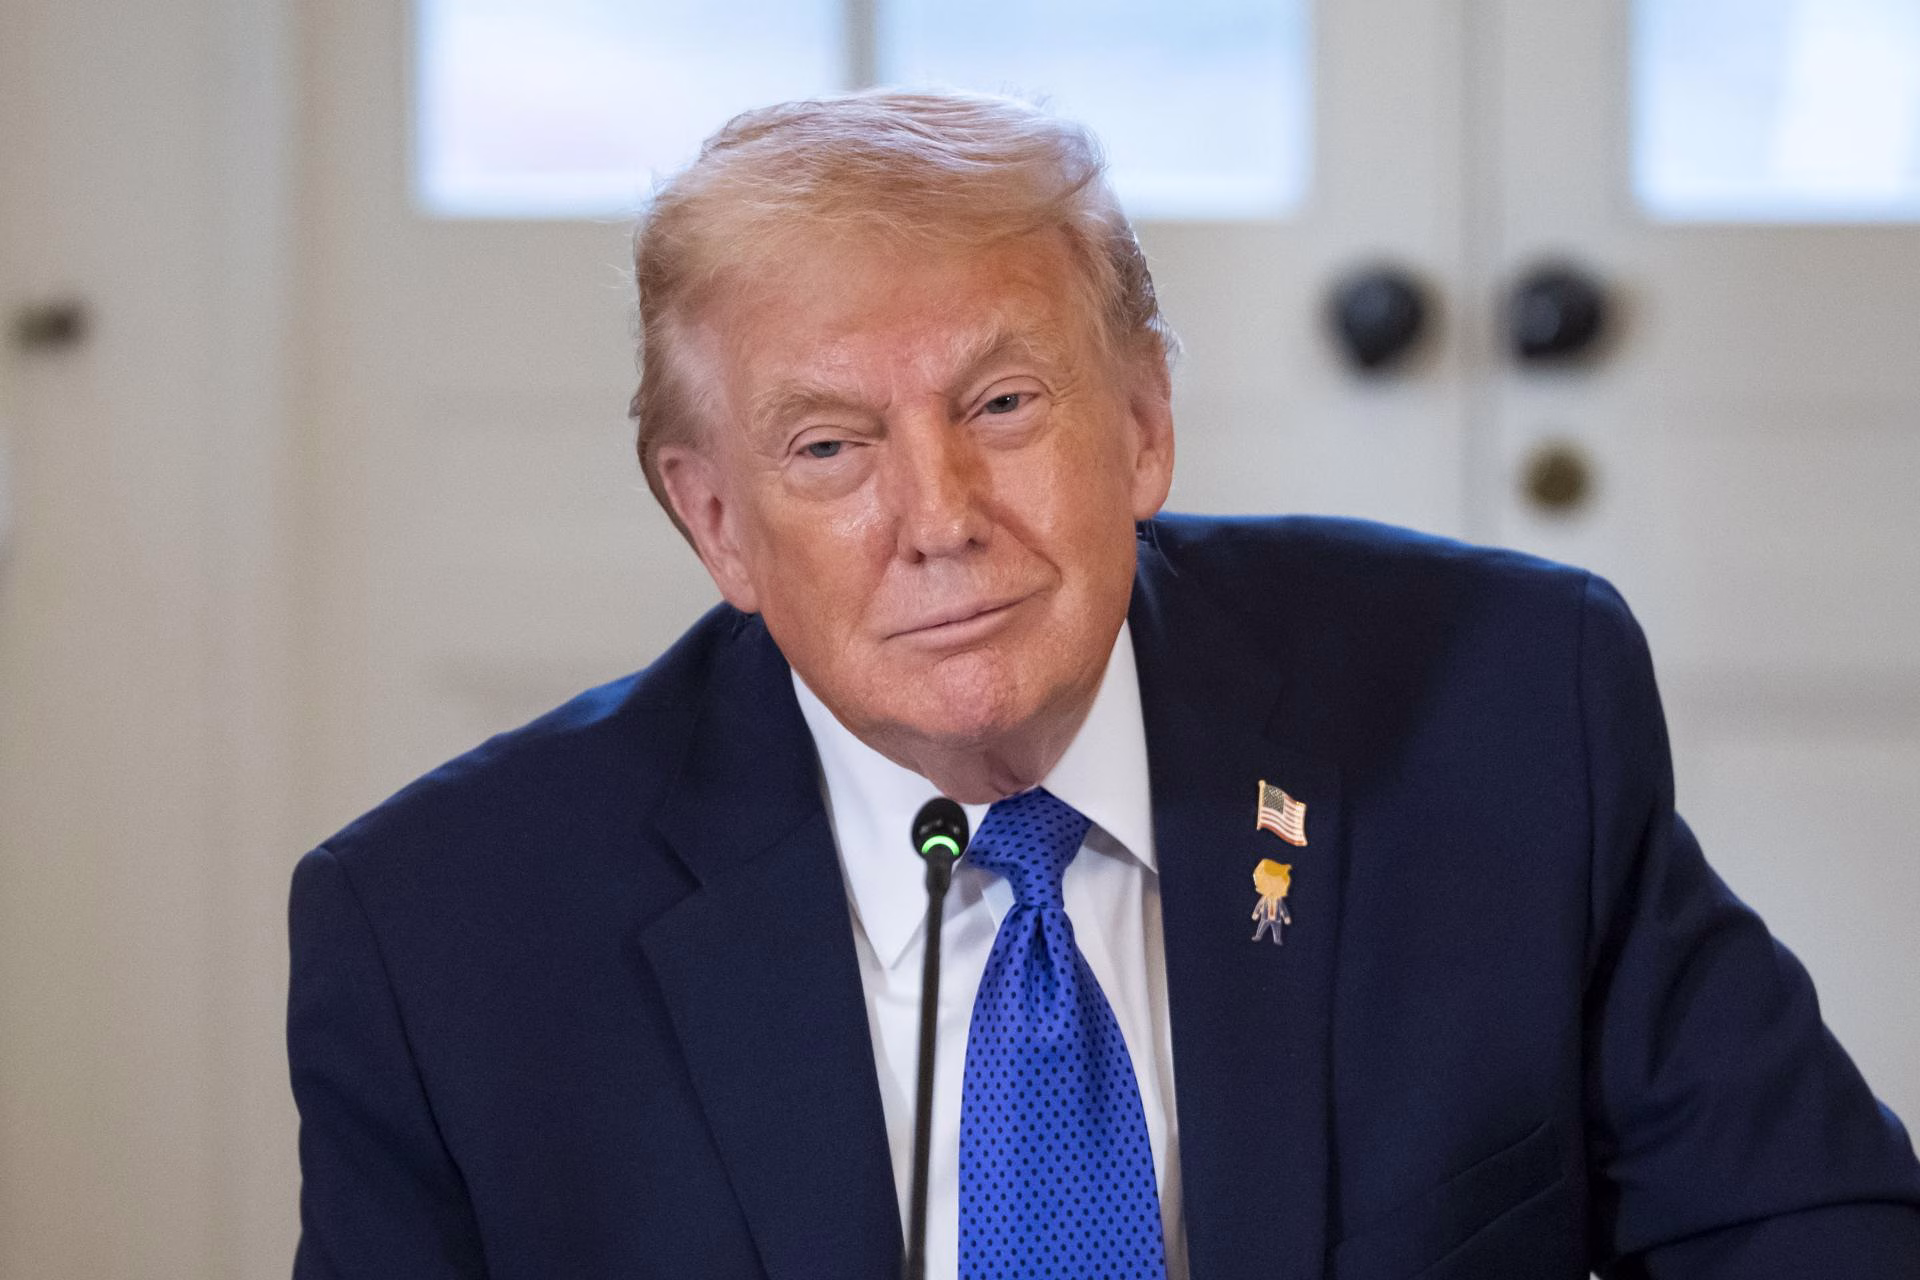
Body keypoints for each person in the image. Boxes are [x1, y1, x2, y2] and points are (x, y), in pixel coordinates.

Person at [286, 91, 1920, 1279]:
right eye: (830, 448)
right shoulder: (445, 938)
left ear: (1142, 422)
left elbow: (1811, 1230)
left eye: (1003, 405)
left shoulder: (1496, 713)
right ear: (714, 517)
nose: (940, 522)